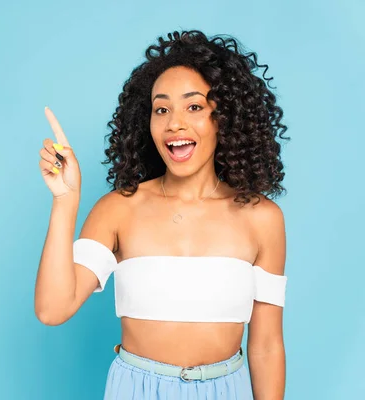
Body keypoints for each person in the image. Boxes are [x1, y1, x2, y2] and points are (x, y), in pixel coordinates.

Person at [34, 30, 289, 400]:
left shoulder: (262, 218)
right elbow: (52, 308)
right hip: (135, 388)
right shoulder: (119, 209)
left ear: (224, 118)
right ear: (147, 120)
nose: (175, 124)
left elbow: (266, 347)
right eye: (162, 108)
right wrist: (65, 200)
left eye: (194, 107)